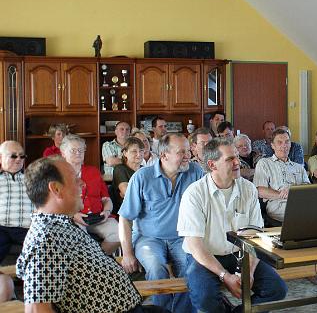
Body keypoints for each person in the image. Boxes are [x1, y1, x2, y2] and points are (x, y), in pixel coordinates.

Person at [17, 156, 168, 313]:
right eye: (75, 179)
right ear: (56, 189)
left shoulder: (59, 226)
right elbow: (36, 309)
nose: (82, 183)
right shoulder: (45, 239)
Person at [177, 138, 287, 312]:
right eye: (230, 159)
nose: (237, 162)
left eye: (237, 156)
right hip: (205, 257)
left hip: (241, 254)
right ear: (212, 165)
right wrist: (224, 276)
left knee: (277, 289)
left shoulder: (248, 189)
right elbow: (195, 246)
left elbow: (255, 237)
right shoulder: (194, 194)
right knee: (205, 298)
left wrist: (249, 271)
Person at [119, 133, 204, 312]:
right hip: (148, 238)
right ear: (164, 155)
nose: (188, 155)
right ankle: (162, 311)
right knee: (157, 270)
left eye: (189, 150)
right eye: (182, 152)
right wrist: (127, 253)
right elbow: (125, 218)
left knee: (191, 269)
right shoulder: (142, 177)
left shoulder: (195, 171)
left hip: (183, 237)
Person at [61, 134, 120, 255]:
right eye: (73, 150)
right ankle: (90, 264)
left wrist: (107, 212)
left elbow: (106, 199)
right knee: (80, 240)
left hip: (98, 217)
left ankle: (99, 260)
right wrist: (74, 215)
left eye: (81, 150)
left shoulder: (93, 171)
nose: (78, 153)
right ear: (63, 153)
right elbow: (56, 204)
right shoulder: (57, 174)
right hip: (73, 219)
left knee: (120, 233)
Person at [253, 127, 310, 222]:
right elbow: (259, 191)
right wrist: (283, 194)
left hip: (302, 207)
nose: (284, 145)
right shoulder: (264, 163)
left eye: (287, 142)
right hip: (279, 211)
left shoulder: (298, 167)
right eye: (280, 142)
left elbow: (308, 188)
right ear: (272, 145)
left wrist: (293, 190)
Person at [0, 141, 33, 262]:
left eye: (22, 156)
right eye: (13, 156)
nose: (18, 159)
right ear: (1, 157)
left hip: (26, 228)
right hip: (1, 228)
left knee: (44, 247)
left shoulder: (33, 179)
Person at [111, 137, 144, 215]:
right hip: (127, 212)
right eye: (134, 151)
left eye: (141, 151)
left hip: (145, 209)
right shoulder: (120, 169)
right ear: (125, 153)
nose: (139, 154)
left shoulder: (145, 170)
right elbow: (127, 193)